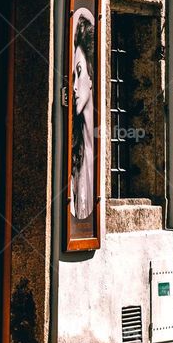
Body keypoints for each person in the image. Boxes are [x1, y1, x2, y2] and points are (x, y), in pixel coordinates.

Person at [70, 11, 95, 220]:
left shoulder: (96, 145)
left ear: (91, 77)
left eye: (79, 73)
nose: (74, 87)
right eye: (72, 78)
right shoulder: (74, 150)